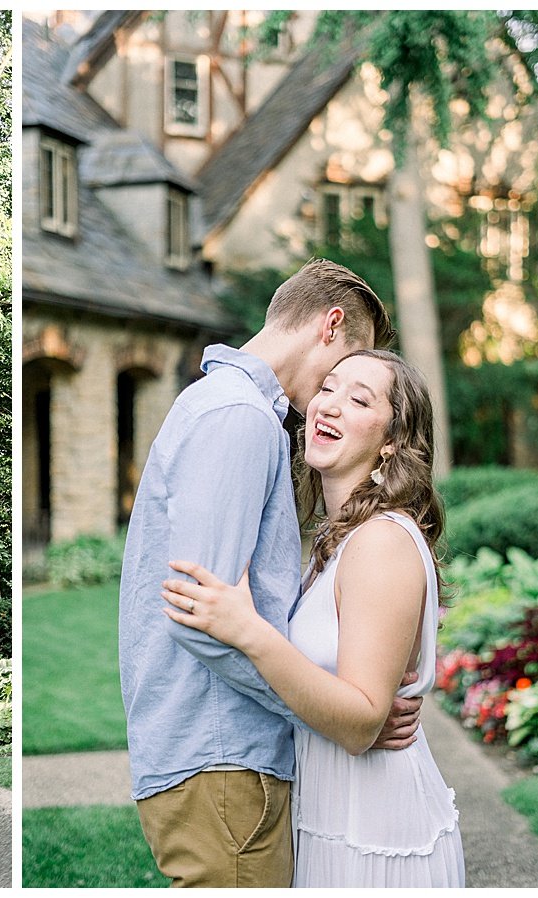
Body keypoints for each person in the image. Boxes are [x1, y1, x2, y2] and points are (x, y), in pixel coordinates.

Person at [118, 259, 416, 888]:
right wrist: (336, 715)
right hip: (222, 760)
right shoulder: (239, 416)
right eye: (343, 371)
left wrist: (345, 702)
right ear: (331, 325)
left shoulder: (226, 407)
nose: (332, 398)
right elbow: (203, 620)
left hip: (220, 761)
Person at [162, 349, 466, 887]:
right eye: (328, 388)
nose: (329, 406)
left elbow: (361, 722)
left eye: (359, 399)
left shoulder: (381, 542)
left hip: (376, 830)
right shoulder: (337, 540)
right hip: (330, 814)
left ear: (392, 440)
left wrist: (249, 631)